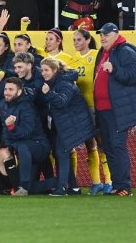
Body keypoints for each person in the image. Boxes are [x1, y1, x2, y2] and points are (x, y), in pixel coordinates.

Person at [93, 23, 136, 196]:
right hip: (103, 109)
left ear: (116, 35)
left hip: (117, 110)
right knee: (109, 147)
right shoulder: (102, 52)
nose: (102, 37)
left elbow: (133, 76)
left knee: (117, 146)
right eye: (101, 34)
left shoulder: (125, 51)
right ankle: (117, 185)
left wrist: (114, 69)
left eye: (106, 34)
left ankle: (124, 186)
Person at [40, 57, 95, 196]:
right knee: (60, 153)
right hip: (62, 123)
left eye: (46, 70)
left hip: (73, 124)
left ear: (55, 70)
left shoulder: (65, 83)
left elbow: (62, 102)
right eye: (42, 70)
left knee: (61, 152)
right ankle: (74, 188)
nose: (43, 73)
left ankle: (61, 188)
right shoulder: (53, 82)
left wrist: (48, 93)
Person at [71, 28, 113, 194]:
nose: (76, 43)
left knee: (103, 143)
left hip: (95, 106)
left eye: (79, 39)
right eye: (74, 40)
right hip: (80, 108)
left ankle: (110, 181)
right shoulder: (72, 59)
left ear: (88, 40)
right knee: (90, 145)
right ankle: (96, 182)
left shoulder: (97, 55)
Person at [0, 77, 55, 195]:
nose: (7, 92)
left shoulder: (27, 107)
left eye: (10, 89)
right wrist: (9, 146)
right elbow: (5, 130)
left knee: (24, 147)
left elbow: (26, 133)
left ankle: (23, 187)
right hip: (23, 151)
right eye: (5, 89)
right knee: (32, 189)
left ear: (19, 92)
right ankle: (58, 183)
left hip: (39, 146)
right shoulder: (3, 104)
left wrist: (12, 127)